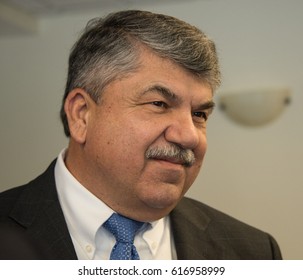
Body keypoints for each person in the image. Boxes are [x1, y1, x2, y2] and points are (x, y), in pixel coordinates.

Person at [0, 10, 282, 260]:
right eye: (159, 104)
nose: (188, 137)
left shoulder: (254, 253)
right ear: (81, 114)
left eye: (199, 115)